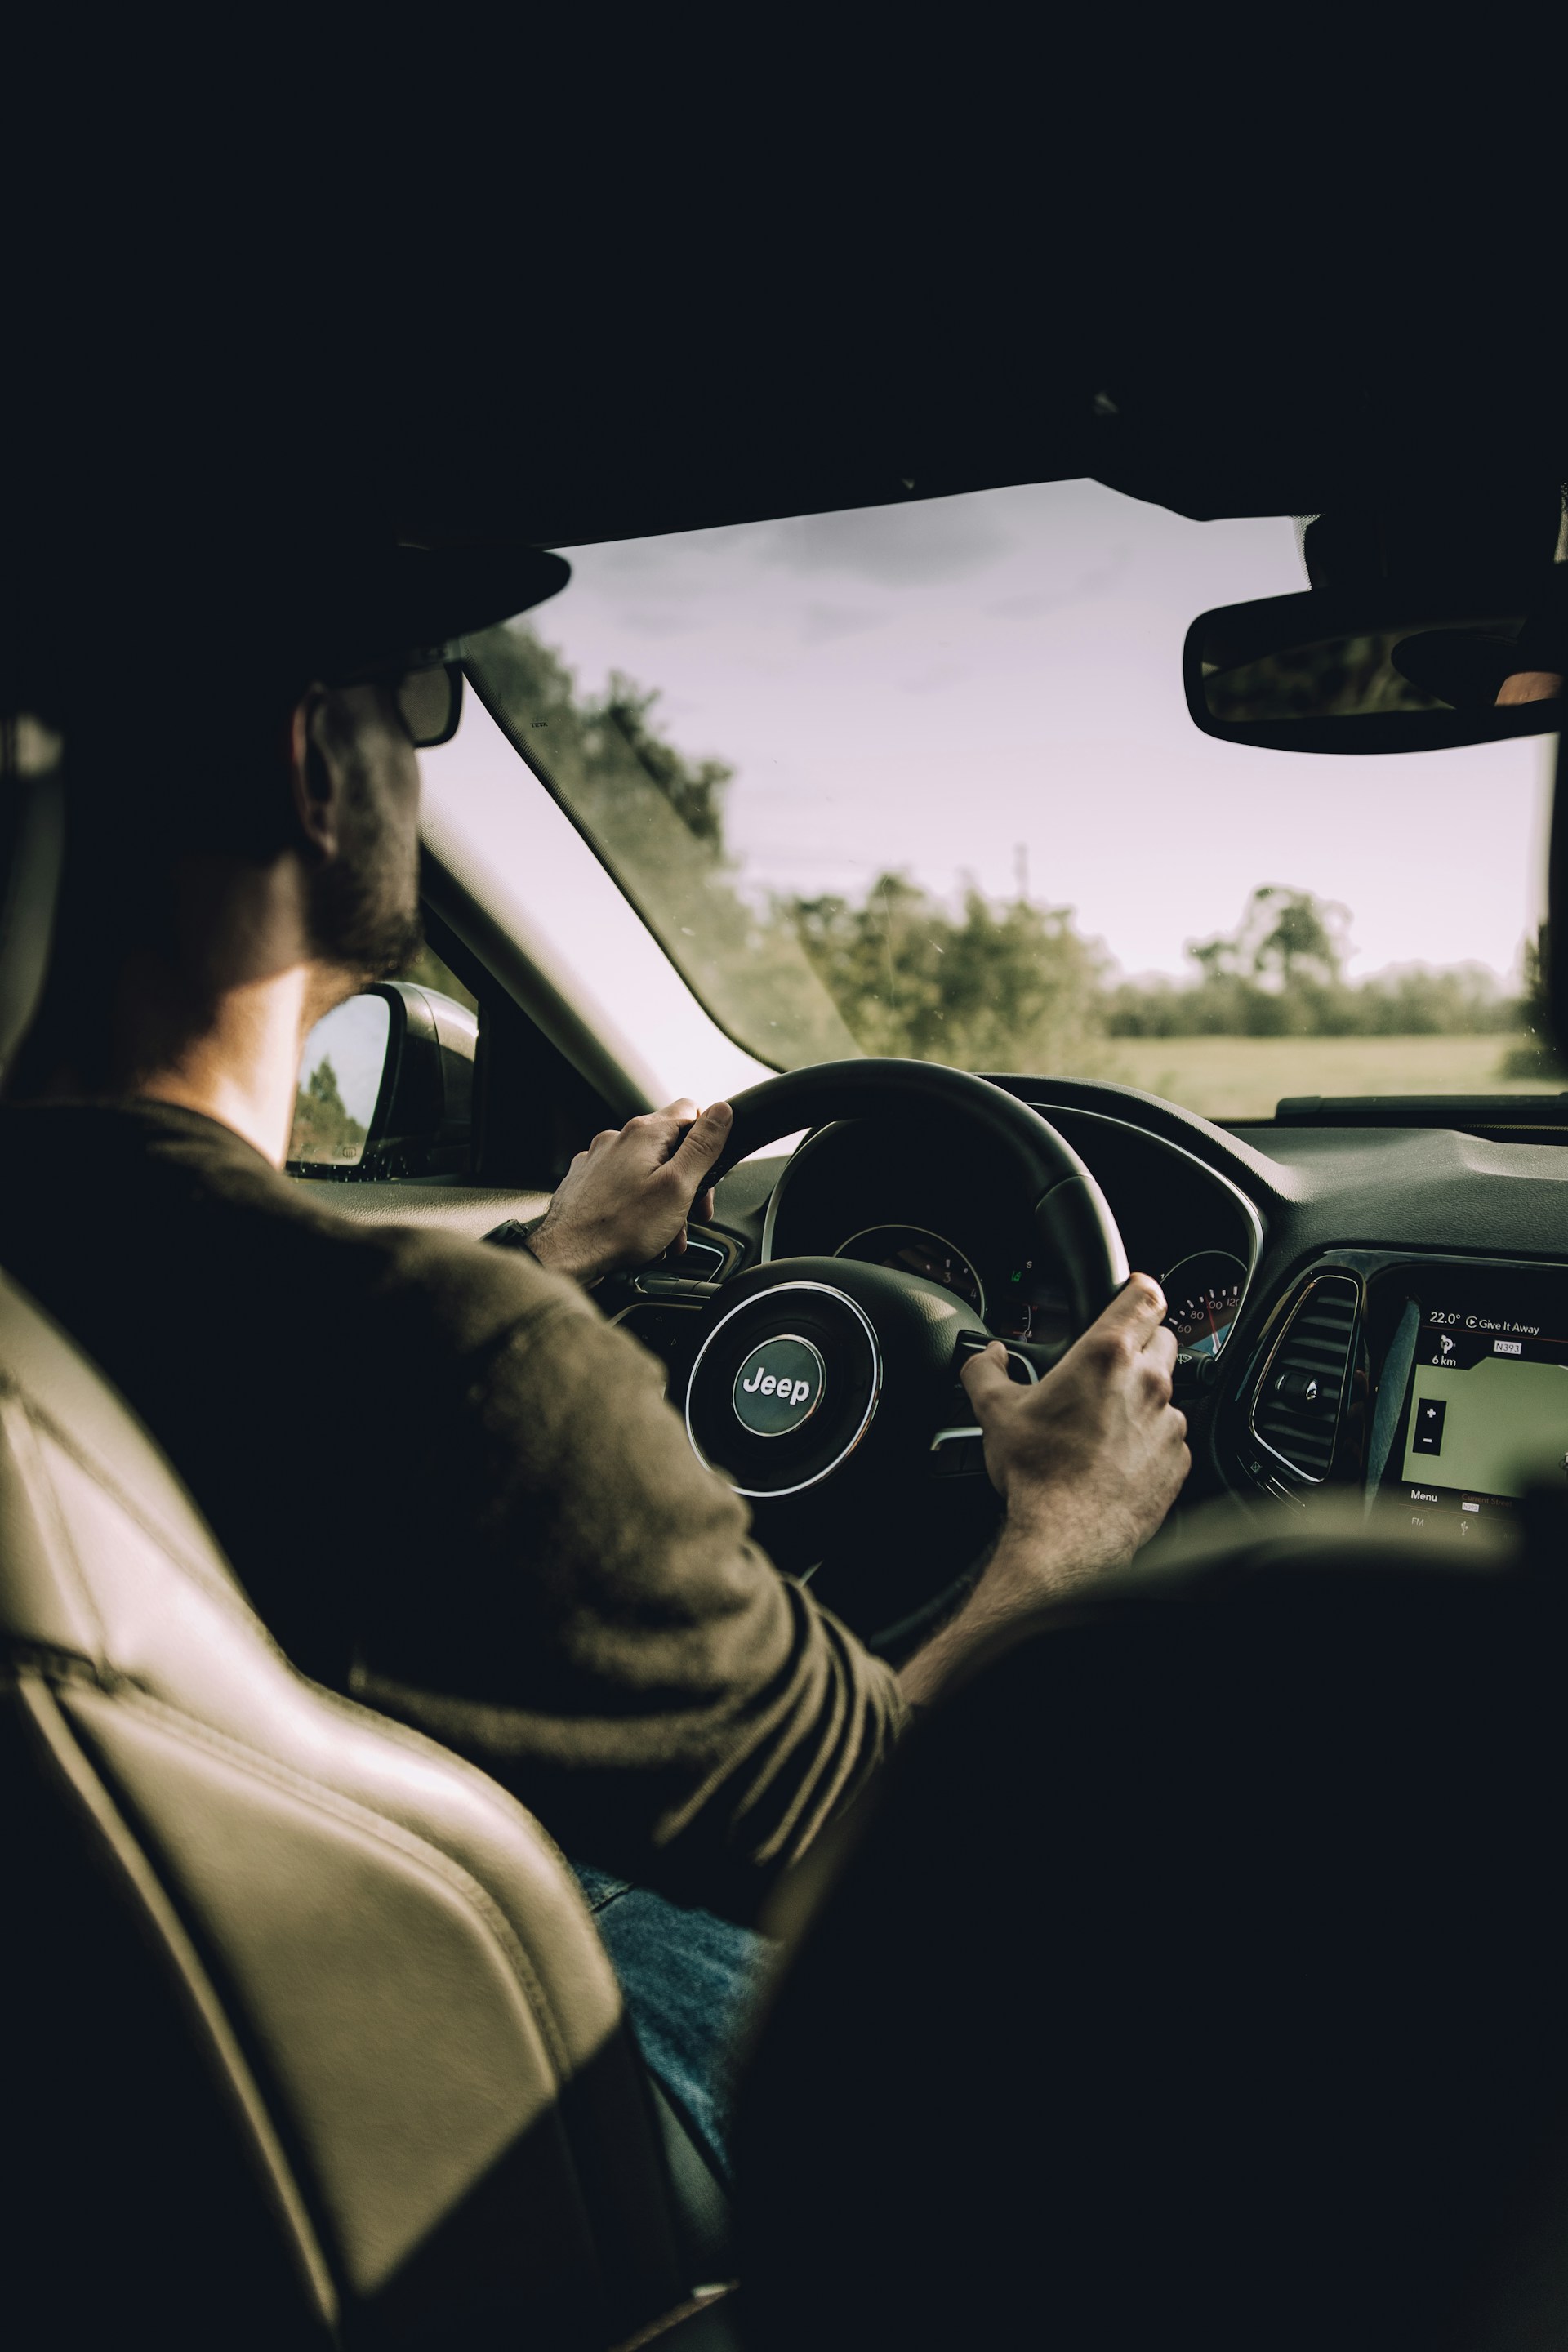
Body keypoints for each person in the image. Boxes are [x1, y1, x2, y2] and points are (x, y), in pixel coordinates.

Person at [0, 552, 1189, 2167]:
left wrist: (552, 1261)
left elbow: (293, 1394)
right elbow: (879, 1832)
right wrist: (1067, 1530)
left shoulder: (179, 1298)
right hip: (422, 2158)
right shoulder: (448, 1370)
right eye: (418, 700)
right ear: (310, 766)